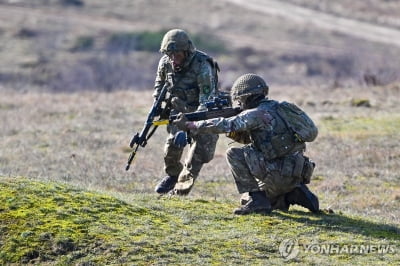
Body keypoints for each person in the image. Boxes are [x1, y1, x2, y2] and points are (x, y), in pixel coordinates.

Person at [174, 73, 319, 215]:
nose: (239, 105)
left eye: (239, 101)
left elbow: (224, 124)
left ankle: (258, 200)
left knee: (233, 154)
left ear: (245, 97)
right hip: (297, 171)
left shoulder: (254, 114)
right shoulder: (284, 107)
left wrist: (191, 125)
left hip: (275, 176)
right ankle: (295, 191)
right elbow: (312, 133)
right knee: (270, 201)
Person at [153, 29, 220, 195]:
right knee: (171, 147)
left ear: (186, 51)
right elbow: (159, 85)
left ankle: (181, 190)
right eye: (170, 54)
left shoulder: (202, 65)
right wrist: (158, 104)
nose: (173, 59)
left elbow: (207, 99)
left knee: (200, 155)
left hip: (204, 112)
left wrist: (192, 125)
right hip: (179, 109)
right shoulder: (165, 62)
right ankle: (174, 176)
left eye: (177, 55)